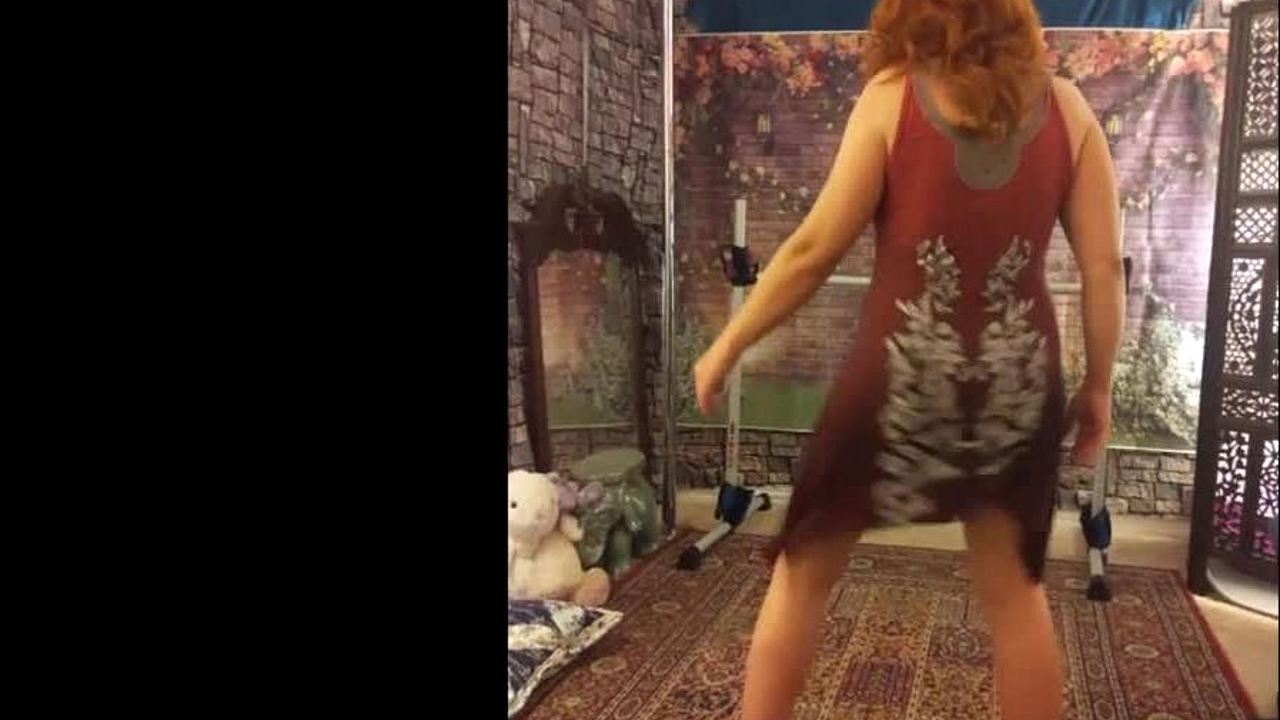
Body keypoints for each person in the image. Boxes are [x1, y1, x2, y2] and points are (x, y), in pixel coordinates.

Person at [691, 1, 1126, 719]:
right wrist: (1099, 386)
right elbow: (1104, 267)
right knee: (1016, 594)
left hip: (897, 380)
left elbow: (812, 252)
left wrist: (727, 345)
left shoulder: (890, 96)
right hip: (1016, 384)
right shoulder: (1071, 112)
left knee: (803, 573)